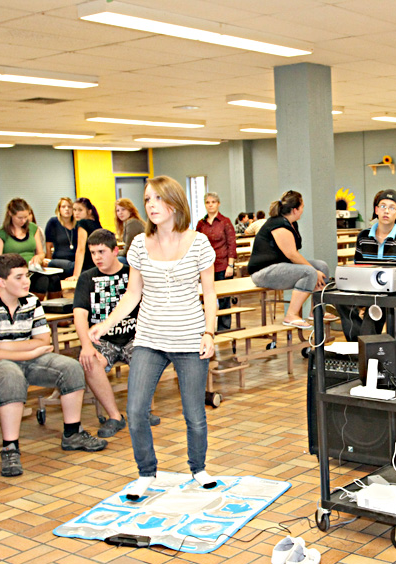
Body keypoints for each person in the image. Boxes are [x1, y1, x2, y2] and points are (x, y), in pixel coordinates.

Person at [89, 176, 218, 499]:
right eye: (147, 199)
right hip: (149, 339)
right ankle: (146, 472)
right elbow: (133, 294)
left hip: (189, 339)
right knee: (135, 411)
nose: (151, 205)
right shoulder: (138, 245)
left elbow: (210, 294)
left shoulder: (199, 243)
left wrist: (209, 332)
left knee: (194, 415)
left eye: (158, 198)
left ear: (174, 203)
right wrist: (106, 324)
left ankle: (198, 468)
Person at [0, 253, 105, 477]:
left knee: (71, 368)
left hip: (27, 360)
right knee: (11, 376)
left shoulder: (32, 301)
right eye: (19, 277)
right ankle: (10, 448)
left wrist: (9, 347)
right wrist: (30, 351)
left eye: (27, 276)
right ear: (1, 282)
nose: (26, 281)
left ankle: (72, 433)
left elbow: (43, 340)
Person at [73, 229, 160, 439]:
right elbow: (79, 315)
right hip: (103, 340)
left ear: (115, 251)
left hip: (133, 337)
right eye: (93, 253)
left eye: (101, 252)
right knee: (89, 362)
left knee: (146, 357)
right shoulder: (87, 278)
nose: (97, 257)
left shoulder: (132, 273)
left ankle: (139, 411)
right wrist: (86, 345)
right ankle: (115, 416)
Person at [339, 189, 396, 343]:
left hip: (388, 291)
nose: (386, 211)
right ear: (376, 210)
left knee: (374, 309)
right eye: (383, 206)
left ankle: (362, 346)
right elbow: (358, 265)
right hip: (364, 287)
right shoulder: (363, 236)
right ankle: (361, 344)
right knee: (340, 299)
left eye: (392, 208)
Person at [247, 190, 330, 329]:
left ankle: (316, 311)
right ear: (295, 210)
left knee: (322, 266)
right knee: (310, 272)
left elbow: (293, 255)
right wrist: (314, 271)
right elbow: (292, 254)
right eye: (302, 207)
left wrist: (316, 270)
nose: (303, 210)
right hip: (263, 272)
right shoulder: (278, 224)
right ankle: (291, 315)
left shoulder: (291, 223)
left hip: (280, 266)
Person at [0, 198, 63, 299]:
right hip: (14, 271)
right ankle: (32, 305)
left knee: (54, 278)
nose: (23, 221)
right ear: (10, 214)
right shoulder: (1, 234)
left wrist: (38, 257)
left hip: (32, 269)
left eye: (26, 217)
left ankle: (53, 306)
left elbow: (41, 253)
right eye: (19, 218)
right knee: (41, 281)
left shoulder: (33, 228)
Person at [195, 192, 237, 332]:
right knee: (205, 299)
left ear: (218, 204)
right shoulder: (201, 224)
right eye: (208, 202)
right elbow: (195, 243)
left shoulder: (225, 222)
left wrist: (230, 265)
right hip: (205, 266)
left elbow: (231, 244)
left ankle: (223, 329)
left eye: (213, 202)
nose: (210, 205)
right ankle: (206, 329)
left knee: (224, 300)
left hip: (222, 265)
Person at [45, 197, 77, 278]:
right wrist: (48, 263)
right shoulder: (53, 222)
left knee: (77, 265)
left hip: (75, 259)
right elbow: (48, 245)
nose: (67, 209)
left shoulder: (78, 224)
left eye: (69, 207)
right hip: (59, 260)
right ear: (59, 209)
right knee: (70, 266)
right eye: (63, 207)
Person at [71, 197, 102, 279]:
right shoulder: (97, 224)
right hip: (97, 265)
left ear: (89, 211)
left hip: (87, 266)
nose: (76, 213)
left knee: (53, 263)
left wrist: (76, 275)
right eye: (74, 210)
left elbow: (81, 250)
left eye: (80, 210)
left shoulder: (83, 223)